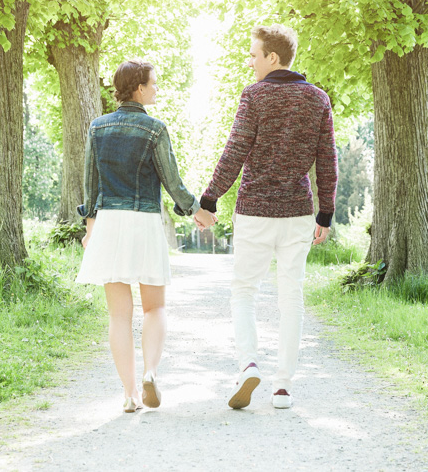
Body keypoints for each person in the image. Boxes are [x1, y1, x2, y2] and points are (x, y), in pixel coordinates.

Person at [199, 25, 338, 410]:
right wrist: (325, 212)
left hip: (256, 210)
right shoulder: (318, 99)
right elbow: (327, 159)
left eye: (254, 54)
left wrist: (210, 199)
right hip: (297, 212)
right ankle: (282, 387)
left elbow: (235, 150)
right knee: (290, 294)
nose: (251, 61)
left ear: (272, 58)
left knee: (244, 290)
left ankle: (248, 365)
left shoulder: (255, 96)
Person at [76, 59, 217, 413]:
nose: (156, 89)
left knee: (118, 316)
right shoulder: (154, 129)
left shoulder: (97, 127)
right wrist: (197, 211)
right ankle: (150, 372)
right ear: (138, 88)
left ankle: (128, 394)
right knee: (155, 307)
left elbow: (90, 185)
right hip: (143, 222)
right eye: (153, 83)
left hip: (109, 223)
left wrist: (90, 227)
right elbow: (172, 182)